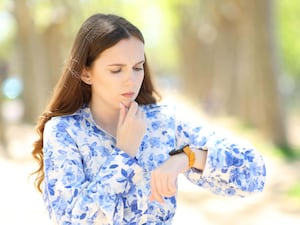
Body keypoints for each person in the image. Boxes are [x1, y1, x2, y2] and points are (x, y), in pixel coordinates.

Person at [31, 13, 266, 225]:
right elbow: (72, 219)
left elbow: (254, 174)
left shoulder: (162, 122)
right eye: (116, 70)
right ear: (85, 72)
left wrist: (188, 157)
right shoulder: (64, 132)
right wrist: (124, 153)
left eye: (137, 67)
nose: (131, 80)